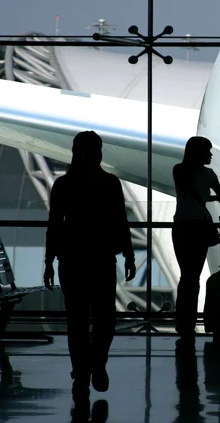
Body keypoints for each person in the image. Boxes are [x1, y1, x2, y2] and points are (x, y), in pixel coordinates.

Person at [43, 130, 136, 405]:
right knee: (105, 319)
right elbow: (121, 220)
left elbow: (54, 225)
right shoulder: (110, 184)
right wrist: (128, 254)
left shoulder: (63, 185)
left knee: (78, 322)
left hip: (72, 260)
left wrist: (49, 261)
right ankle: (97, 363)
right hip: (102, 259)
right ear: (99, 152)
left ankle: (81, 374)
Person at [172, 136, 220, 342]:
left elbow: (189, 192)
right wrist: (219, 197)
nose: (210, 154)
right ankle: (189, 322)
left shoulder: (179, 170)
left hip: (182, 226)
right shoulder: (209, 175)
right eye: (207, 151)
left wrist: (209, 196)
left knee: (186, 276)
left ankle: (183, 322)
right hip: (200, 227)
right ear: (198, 152)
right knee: (194, 277)